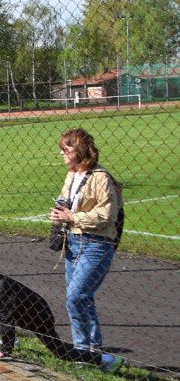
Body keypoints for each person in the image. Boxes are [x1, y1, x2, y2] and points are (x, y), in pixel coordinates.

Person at [0, 255, 124, 372]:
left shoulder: (1, 289)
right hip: (23, 315)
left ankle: (106, 359)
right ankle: (11, 341)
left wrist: (6, 349)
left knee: (60, 352)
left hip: (39, 316)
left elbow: (5, 321)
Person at [49, 128, 121, 353]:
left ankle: (92, 350)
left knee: (76, 296)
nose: (62, 153)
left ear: (79, 150)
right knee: (79, 298)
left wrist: (72, 217)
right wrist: (58, 214)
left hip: (96, 244)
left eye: (66, 149)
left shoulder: (101, 177)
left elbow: (107, 215)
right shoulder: (71, 175)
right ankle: (83, 350)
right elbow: (65, 201)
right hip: (73, 242)